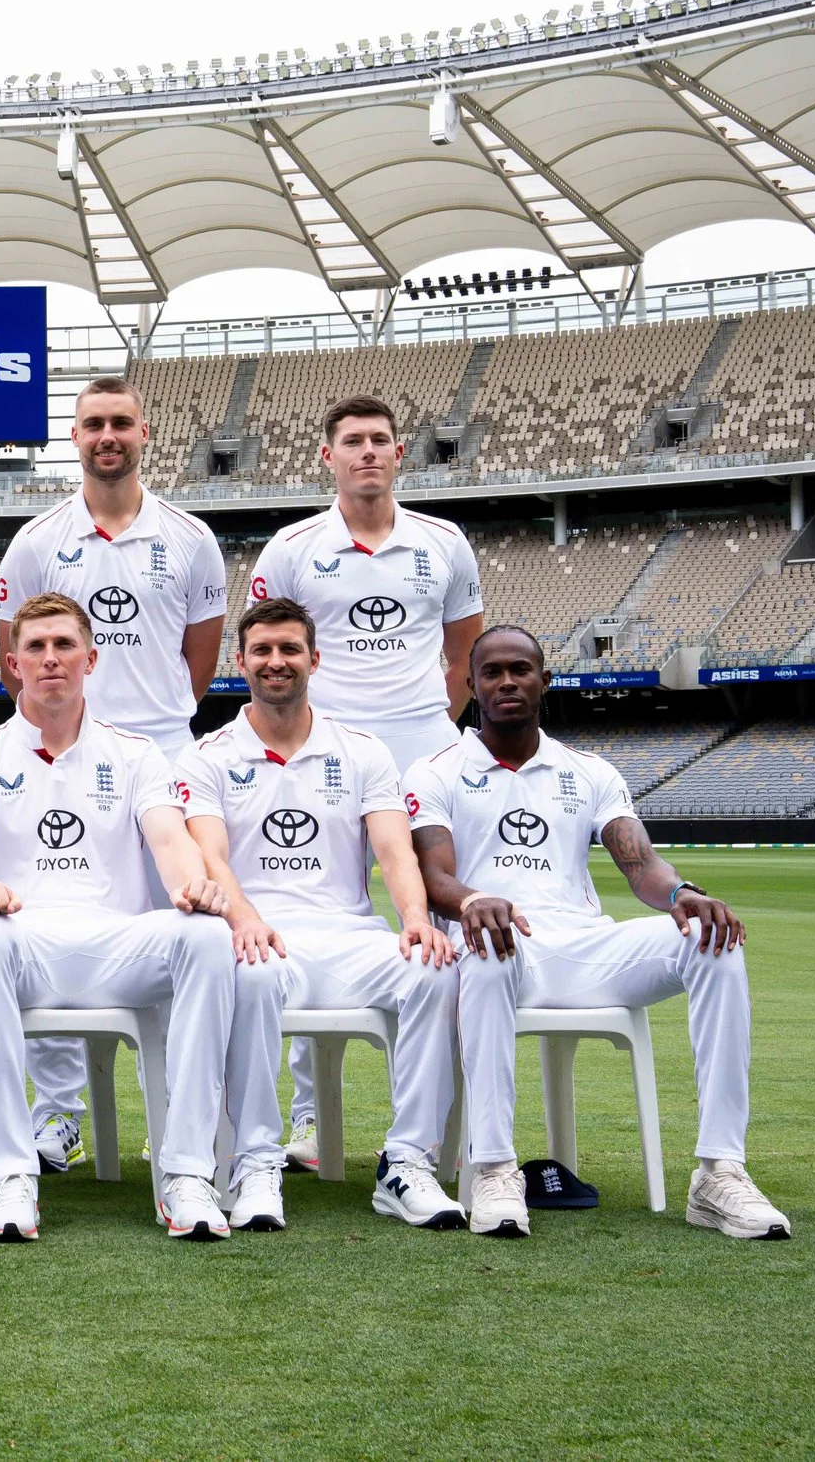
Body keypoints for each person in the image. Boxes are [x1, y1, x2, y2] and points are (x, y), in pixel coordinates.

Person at [406, 625, 791, 1240]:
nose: (508, 681)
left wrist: (685, 894)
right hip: (504, 952)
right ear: (473, 686)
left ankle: (720, 1171)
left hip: (585, 946)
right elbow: (433, 875)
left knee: (711, 941)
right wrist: (476, 899)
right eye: (492, 672)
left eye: (521, 669)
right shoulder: (436, 771)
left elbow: (641, 868)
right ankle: (495, 1169)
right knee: (483, 945)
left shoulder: (588, 770)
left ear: (544, 681)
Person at [0, 592, 249, 1243]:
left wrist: (192, 887)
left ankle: (187, 1172)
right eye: (35, 646)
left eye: (63, 645)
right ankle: (11, 1177)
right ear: (14, 667)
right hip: (24, 935)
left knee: (203, 934)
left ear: (92, 657)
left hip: (118, 941)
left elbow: (170, 840)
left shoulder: (137, 754)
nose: (51, 658)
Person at [0, 372, 227, 1175]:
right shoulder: (36, 541)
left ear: (145, 431)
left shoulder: (191, 538)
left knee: (188, 932)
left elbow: (199, 656)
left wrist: (151, 721)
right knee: (55, 912)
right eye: (94, 423)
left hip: (159, 752)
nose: (107, 436)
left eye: (120, 423)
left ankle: (189, 1119)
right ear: (76, 436)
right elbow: (12, 650)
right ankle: (58, 1117)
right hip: (60, 754)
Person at [250, 394, 482, 1170]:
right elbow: (271, 649)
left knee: (440, 928)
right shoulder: (291, 546)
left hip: (423, 743)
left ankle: (448, 1119)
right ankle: (313, 1121)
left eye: (380, 439)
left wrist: (419, 729)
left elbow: (462, 658)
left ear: (399, 451)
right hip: (324, 754)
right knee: (315, 918)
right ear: (329, 456)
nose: (368, 452)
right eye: (352, 441)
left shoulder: (445, 543)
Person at [180, 598, 463, 1234]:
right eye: (262, 651)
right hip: (264, 937)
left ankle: (408, 1162)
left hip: (350, 936)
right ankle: (255, 1162)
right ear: (241, 662)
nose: (275, 662)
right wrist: (245, 919)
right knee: (247, 973)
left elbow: (394, 851)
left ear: (315, 658)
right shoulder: (207, 755)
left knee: (433, 969)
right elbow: (210, 856)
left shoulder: (362, 751)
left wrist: (415, 918)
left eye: (288, 650)